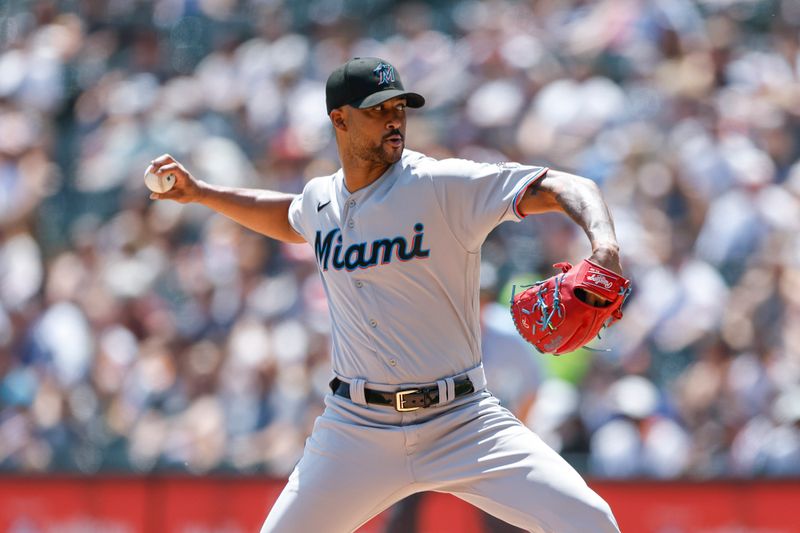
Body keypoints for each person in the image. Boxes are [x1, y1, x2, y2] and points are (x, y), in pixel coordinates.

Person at [148, 57, 622, 533]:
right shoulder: (320, 200)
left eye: (400, 107)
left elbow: (567, 185)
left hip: (461, 418)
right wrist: (202, 193)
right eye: (378, 109)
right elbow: (288, 216)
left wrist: (604, 244)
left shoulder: (440, 184)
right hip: (356, 428)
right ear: (340, 119)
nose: (394, 119)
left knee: (591, 521)